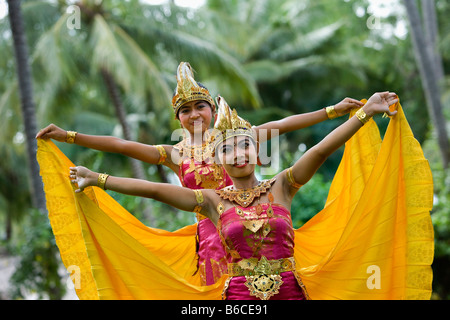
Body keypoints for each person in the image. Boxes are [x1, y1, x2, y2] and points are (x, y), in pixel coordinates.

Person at [35, 62, 363, 285]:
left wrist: (332, 111)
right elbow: (122, 145)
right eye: (186, 110)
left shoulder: (237, 141)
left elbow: (282, 125)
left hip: (260, 219)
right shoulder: (175, 154)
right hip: (214, 233)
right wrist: (69, 136)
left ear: (211, 109)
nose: (194, 115)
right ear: (179, 118)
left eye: (200, 107)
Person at [68, 92, 401, 300]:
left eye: (245, 145)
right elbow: (155, 190)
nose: (238, 153)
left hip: (290, 292)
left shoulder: (282, 185)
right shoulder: (211, 199)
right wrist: (97, 178)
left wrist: (362, 113)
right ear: (219, 159)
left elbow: (320, 149)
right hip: (233, 286)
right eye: (227, 149)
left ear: (258, 152)